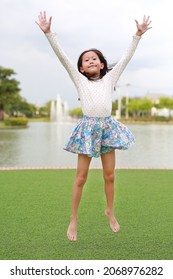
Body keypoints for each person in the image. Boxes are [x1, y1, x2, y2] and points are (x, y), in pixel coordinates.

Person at [36, 12, 152, 241]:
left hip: (107, 128)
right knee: (81, 177)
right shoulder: (79, 79)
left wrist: (137, 35)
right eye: (85, 59)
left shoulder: (110, 79)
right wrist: (49, 33)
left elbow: (126, 58)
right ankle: (74, 218)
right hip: (88, 129)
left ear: (101, 65)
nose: (90, 61)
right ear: (80, 68)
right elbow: (63, 58)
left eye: (94, 58)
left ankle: (110, 210)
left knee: (110, 175)